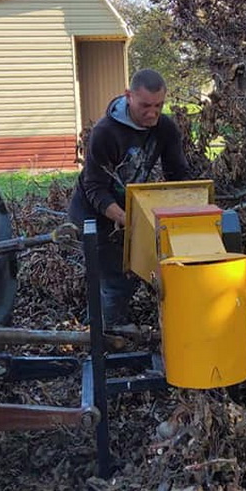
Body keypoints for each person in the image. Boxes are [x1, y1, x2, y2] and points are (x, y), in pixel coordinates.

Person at [69, 69, 191, 328]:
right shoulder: (106, 132)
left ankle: (112, 324)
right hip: (93, 212)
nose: (152, 113)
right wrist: (130, 221)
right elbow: (95, 188)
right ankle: (109, 337)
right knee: (113, 277)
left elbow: (178, 175)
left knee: (135, 270)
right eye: (145, 105)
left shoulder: (165, 128)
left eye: (159, 105)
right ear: (129, 97)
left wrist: (189, 210)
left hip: (130, 207)